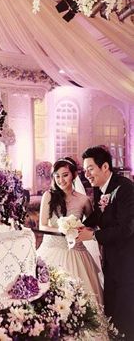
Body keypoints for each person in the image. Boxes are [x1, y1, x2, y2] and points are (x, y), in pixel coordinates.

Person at [78, 145, 134, 340]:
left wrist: (93, 236)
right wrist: (77, 226)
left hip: (126, 263)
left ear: (104, 167)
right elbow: (98, 215)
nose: (86, 174)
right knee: (112, 310)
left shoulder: (125, 187)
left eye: (90, 168)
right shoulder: (99, 188)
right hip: (111, 261)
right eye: (85, 170)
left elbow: (126, 229)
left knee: (124, 313)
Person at [36, 157, 103, 305]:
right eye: (57, 176)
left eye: (65, 175)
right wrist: (62, 229)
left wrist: (78, 230)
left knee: (81, 300)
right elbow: (42, 226)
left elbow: (92, 225)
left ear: (74, 175)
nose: (61, 180)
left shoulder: (83, 200)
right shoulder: (48, 196)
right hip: (51, 249)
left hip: (76, 253)